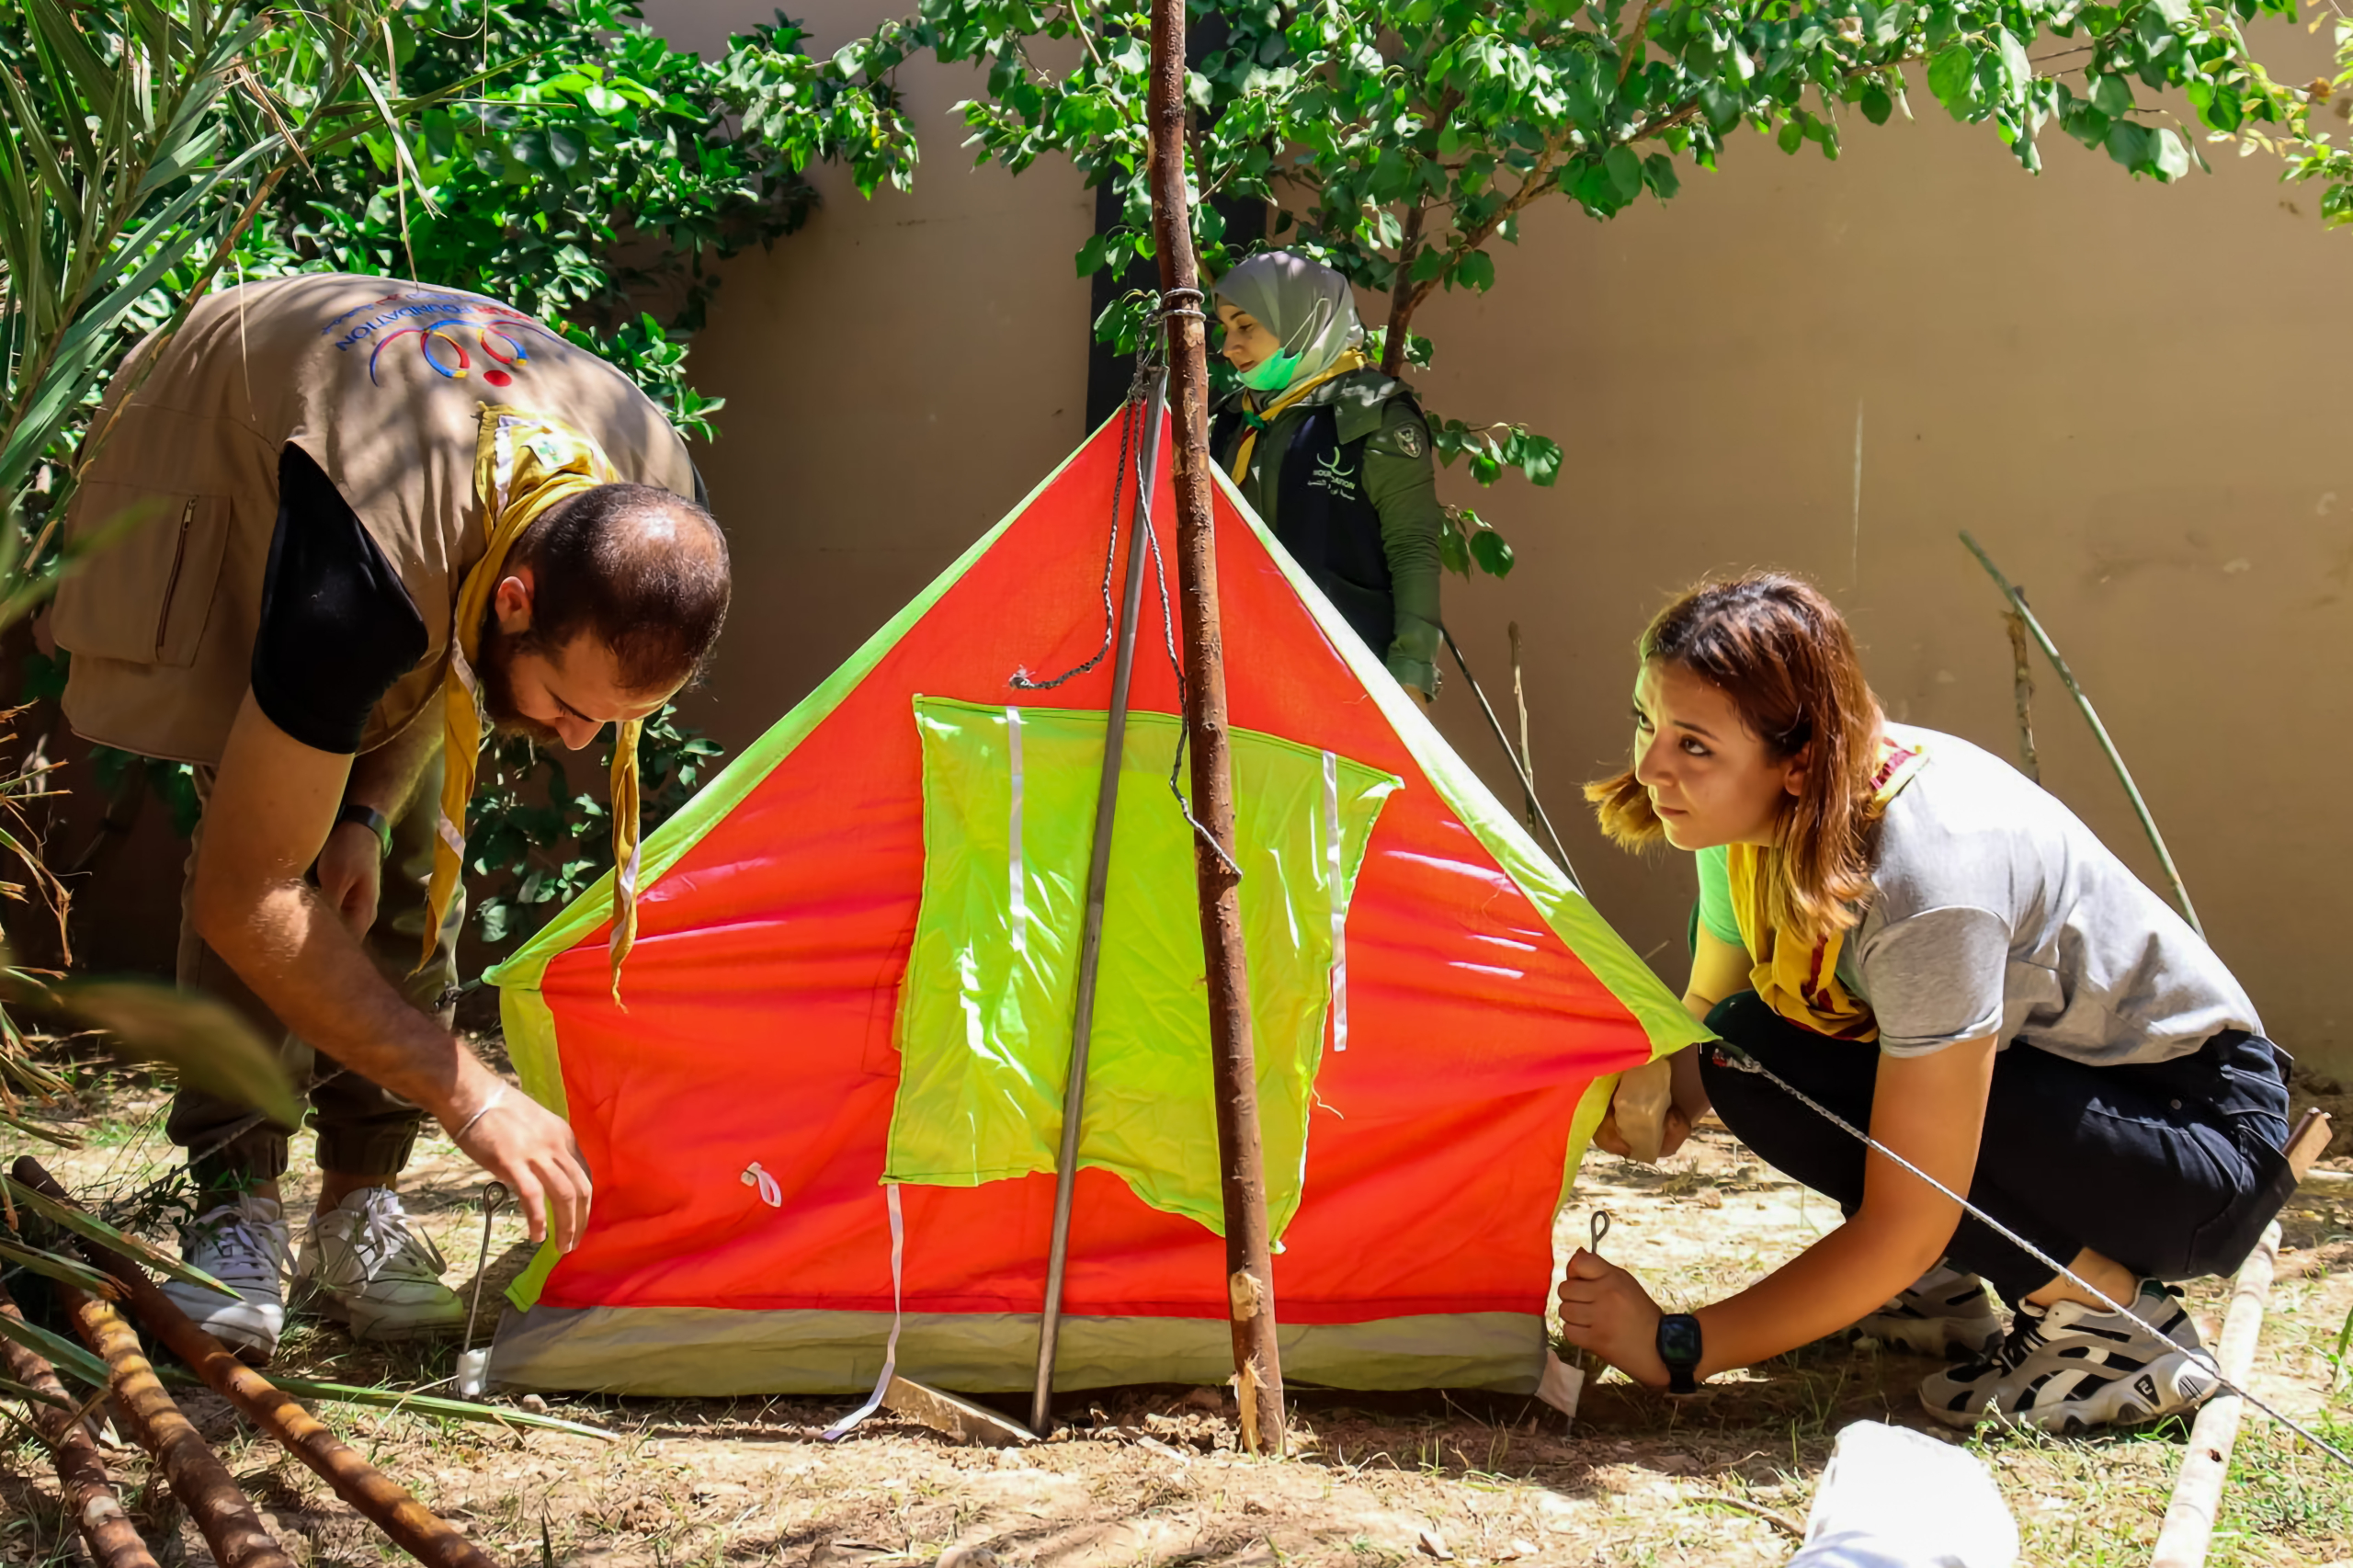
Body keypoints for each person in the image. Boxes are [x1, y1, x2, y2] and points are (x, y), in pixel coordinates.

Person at [45, 273, 730, 1361]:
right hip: (230, 429)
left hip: (432, 506)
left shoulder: (652, 489)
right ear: (519, 598)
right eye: (566, 705)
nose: (574, 743)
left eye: (612, 722)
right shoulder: (354, 576)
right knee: (274, 851)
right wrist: (472, 1093)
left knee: (404, 847)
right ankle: (236, 1194)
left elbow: (448, 647)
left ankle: (355, 1203)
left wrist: (367, 803)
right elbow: (246, 890)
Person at [1556, 573, 2293, 1432]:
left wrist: (1681, 1346)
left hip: (2191, 1143)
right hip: (2064, 1099)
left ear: (1796, 761)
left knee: (1842, 1108)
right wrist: (1654, 1090)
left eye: (1694, 746)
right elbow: (1715, 1022)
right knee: (1747, 1049)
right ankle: (1930, 1301)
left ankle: (2113, 1326)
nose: (1650, 768)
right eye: (1648, 722)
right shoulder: (1760, 824)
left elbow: (1914, 1206)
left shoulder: (1925, 886)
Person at [1210, 252, 1444, 701]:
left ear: (1304, 318)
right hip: (1240, 682)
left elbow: (1413, 549)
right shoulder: (1229, 421)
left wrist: (1410, 680)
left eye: (1246, 326)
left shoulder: (1371, 411)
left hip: (1345, 685)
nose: (1228, 346)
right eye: (1226, 329)